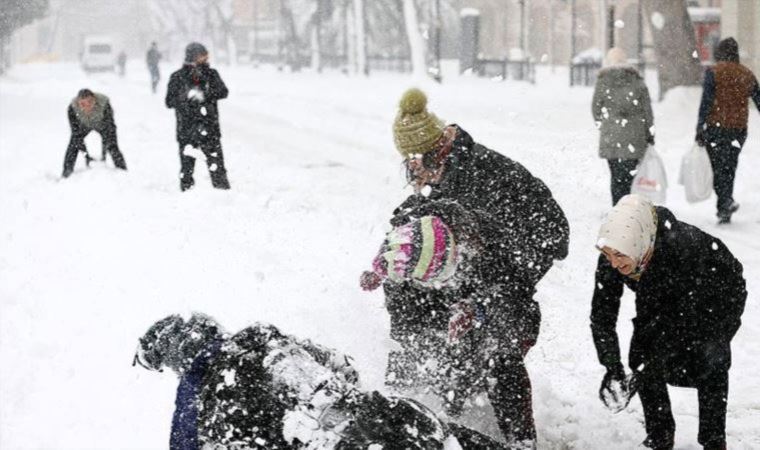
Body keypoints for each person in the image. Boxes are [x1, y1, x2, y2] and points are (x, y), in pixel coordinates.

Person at [371, 88, 569, 447]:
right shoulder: (443, 182)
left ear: (435, 152)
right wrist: (386, 263)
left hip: (518, 261)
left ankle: (520, 440)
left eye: (414, 163)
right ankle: (432, 414)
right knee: (434, 340)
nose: (414, 173)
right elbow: (411, 234)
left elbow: (546, 240)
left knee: (495, 349)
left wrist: (479, 304)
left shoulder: (484, 179)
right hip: (472, 264)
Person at [134, 313, 510, 450]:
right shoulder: (261, 337)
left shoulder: (203, 407)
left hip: (333, 441)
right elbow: (343, 367)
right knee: (439, 432)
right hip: (381, 416)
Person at [591, 194, 746, 450]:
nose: (614, 263)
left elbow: (672, 320)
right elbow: (602, 315)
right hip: (665, 297)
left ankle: (713, 440)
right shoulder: (616, 250)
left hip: (715, 294)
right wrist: (612, 366)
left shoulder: (681, 248)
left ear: (639, 244)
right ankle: (660, 435)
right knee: (642, 356)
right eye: (607, 254)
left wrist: (719, 335)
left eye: (619, 256)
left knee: (710, 359)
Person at [695, 37, 760, 224]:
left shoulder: (713, 73)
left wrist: (700, 126)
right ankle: (725, 204)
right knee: (729, 166)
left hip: (716, 128)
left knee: (718, 168)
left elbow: (706, 102)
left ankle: (725, 203)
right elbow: (758, 99)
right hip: (738, 130)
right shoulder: (746, 74)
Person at [592, 47, 655, 206]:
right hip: (634, 136)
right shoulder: (637, 81)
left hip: (611, 137)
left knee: (615, 176)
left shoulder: (603, 81)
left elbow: (596, 108)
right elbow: (647, 111)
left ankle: (617, 207)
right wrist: (650, 133)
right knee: (629, 177)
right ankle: (627, 207)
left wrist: (605, 125)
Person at [166, 43, 230, 191]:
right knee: (187, 169)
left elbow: (223, 92)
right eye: (203, 54)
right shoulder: (177, 77)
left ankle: (224, 196)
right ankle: (187, 196)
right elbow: (169, 101)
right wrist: (186, 98)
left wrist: (204, 95)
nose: (206, 57)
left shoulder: (211, 74)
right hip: (187, 130)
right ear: (193, 56)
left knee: (217, 167)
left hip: (210, 128)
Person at [62, 88, 127, 178]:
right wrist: (86, 156)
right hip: (83, 125)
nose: (87, 106)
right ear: (78, 103)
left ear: (95, 99)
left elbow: (110, 129)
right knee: (73, 145)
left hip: (102, 124)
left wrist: (103, 156)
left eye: (90, 102)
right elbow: (76, 135)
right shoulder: (72, 109)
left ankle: (123, 171)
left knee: (112, 146)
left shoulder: (104, 104)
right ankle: (66, 173)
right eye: (83, 104)